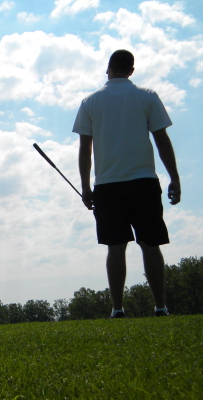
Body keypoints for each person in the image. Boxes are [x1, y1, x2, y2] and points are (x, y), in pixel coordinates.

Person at [73, 50, 180, 318]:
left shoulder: (90, 101)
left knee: (116, 246)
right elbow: (161, 140)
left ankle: (118, 308)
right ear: (131, 70)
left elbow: (85, 149)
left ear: (107, 68)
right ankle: (160, 307)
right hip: (143, 180)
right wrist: (175, 177)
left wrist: (86, 187)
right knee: (150, 244)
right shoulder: (147, 96)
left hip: (107, 185)